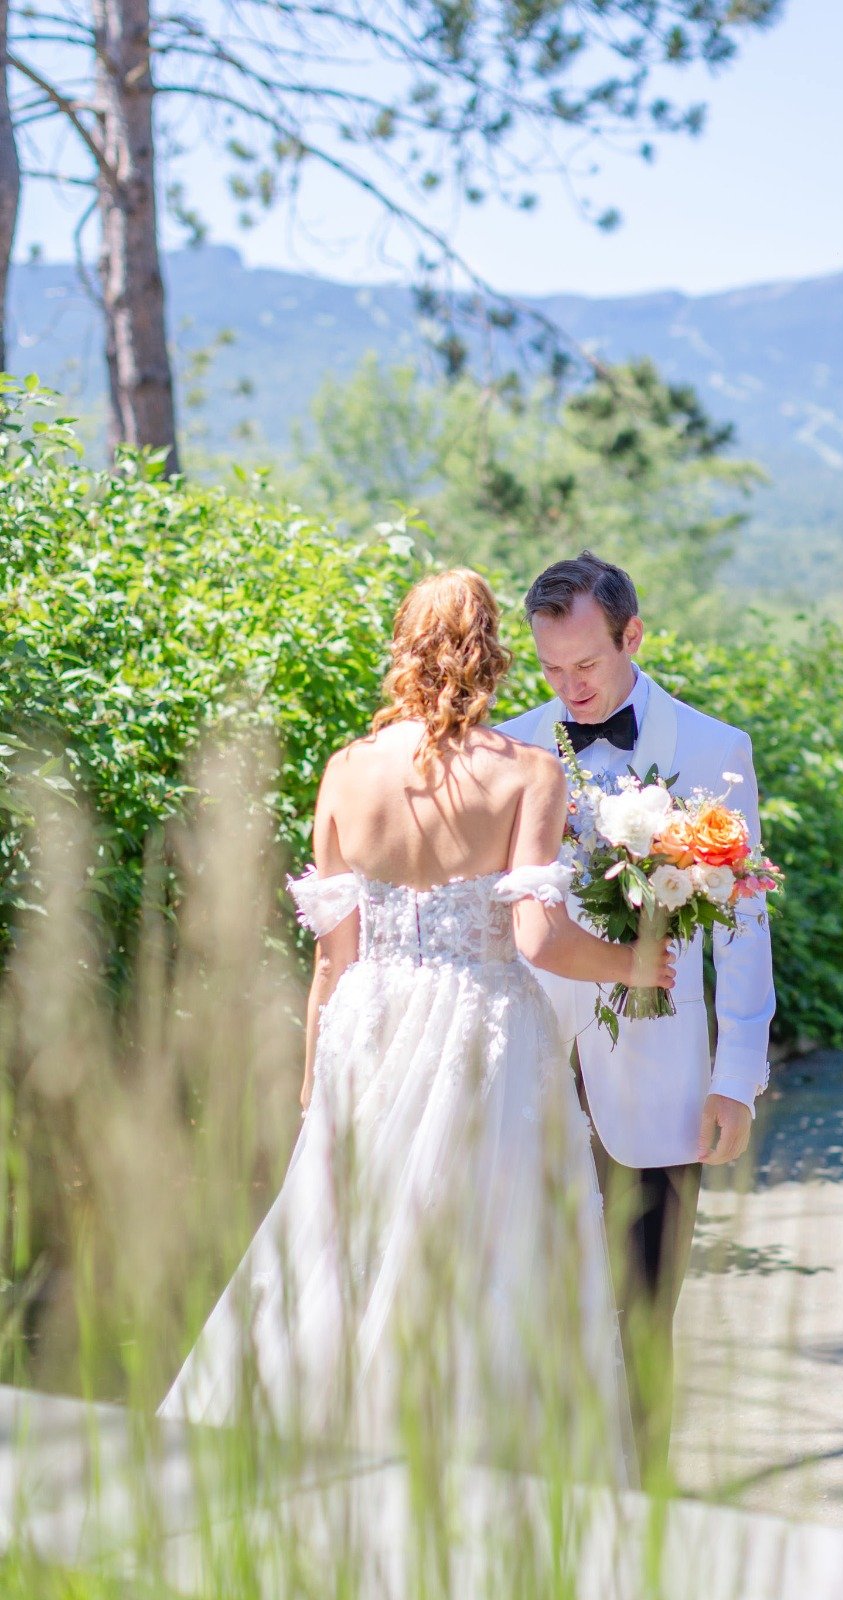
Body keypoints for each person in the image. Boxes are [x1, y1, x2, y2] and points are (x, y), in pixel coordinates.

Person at [158, 569, 674, 1486]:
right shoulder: (528, 774)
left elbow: (330, 959)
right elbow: (538, 937)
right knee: (483, 1249)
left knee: (341, 1240)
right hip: (484, 1037)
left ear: (403, 650)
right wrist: (635, 962)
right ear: (495, 659)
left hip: (368, 1027)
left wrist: (316, 1078)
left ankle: (318, 1460)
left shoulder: (347, 772)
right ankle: (467, 1480)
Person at [501, 552, 775, 1481]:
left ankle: (644, 1507)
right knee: (537, 1304)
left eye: (588, 665)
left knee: (647, 1310)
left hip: (661, 1077)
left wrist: (735, 1078)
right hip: (531, 1069)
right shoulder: (513, 747)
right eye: (551, 669)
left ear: (633, 637)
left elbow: (742, 929)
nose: (570, 689)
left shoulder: (712, 747)